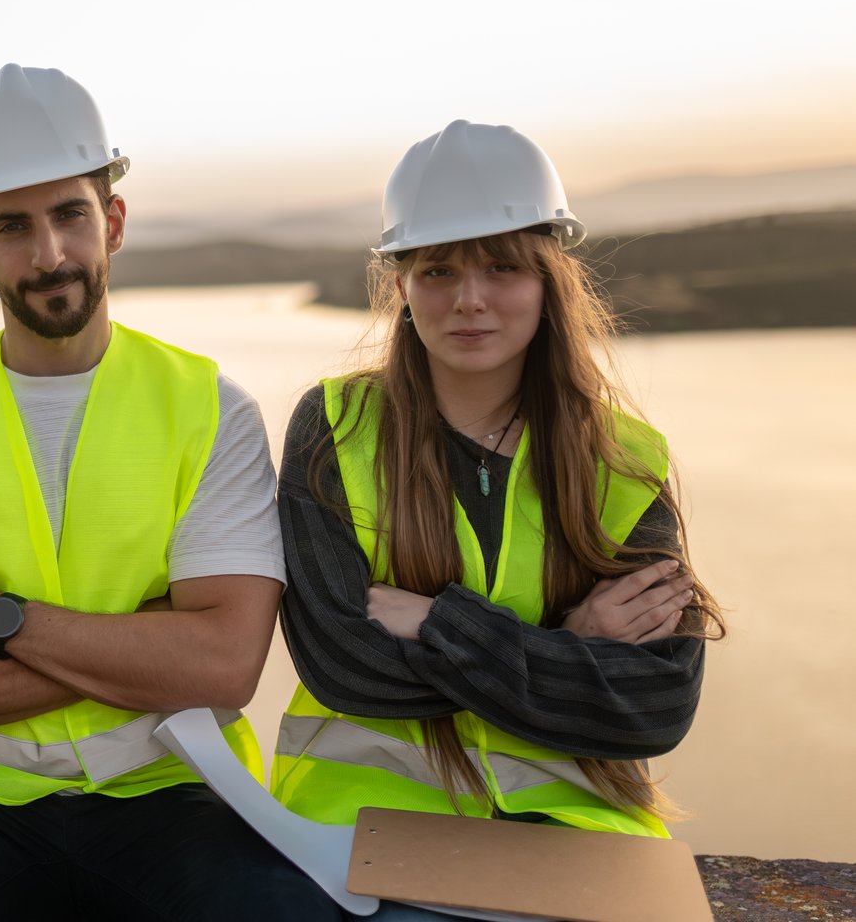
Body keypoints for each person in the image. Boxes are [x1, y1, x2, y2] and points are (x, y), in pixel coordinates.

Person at [0, 65, 341, 921]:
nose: (49, 254)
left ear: (113, 221)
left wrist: (0, 623)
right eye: (13, 226)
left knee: (286, 910)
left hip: (170, 777)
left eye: (70, 215)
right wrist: (146, 648)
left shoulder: (211, 409)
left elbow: (225, 666)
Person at [272, 121, 726, 919]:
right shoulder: (337, 427)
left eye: (503, 267)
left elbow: (657, 703)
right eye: (439, 269)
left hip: (576, 824)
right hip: (365, 825)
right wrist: (576, 648)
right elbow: (345, 664)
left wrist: (443, 626)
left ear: (549, 280)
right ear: (403, 285)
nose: (470, 298)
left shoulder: (620, 457)